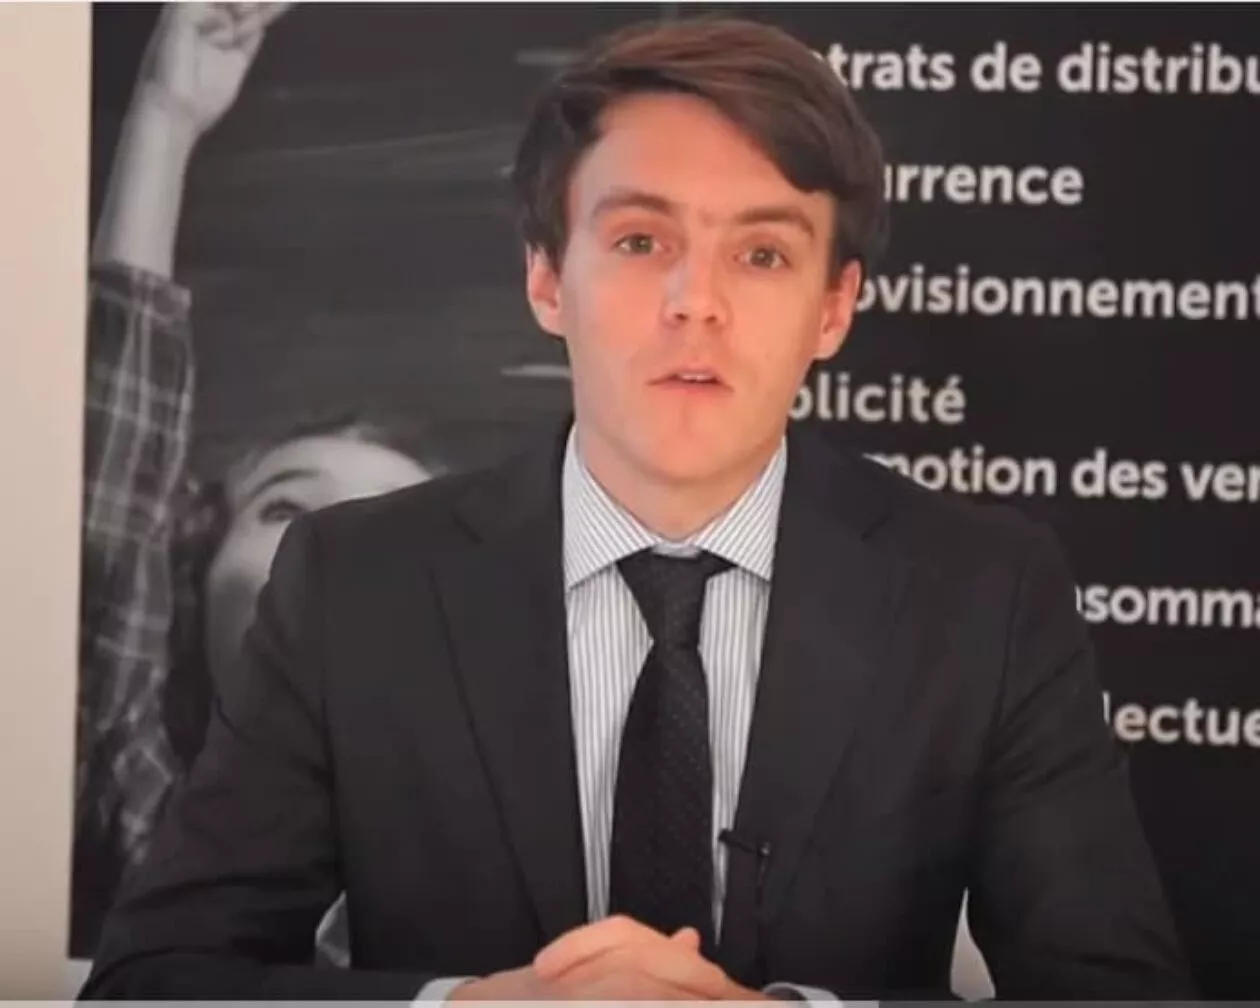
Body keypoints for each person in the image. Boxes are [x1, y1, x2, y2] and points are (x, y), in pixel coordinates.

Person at [80, 14, 1197, 1001]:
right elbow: (153, 982)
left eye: (762, 253)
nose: (694, 302)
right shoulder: (352, 585)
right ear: (546, 279)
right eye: (640, 241)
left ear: (834, 310)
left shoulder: (983, 595)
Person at [74, 0, 437, 959]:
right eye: (283, 508)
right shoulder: (141, 794)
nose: (328, 541)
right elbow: (114, 504)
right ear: (195, 574)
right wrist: (165, 117)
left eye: (383, 525)